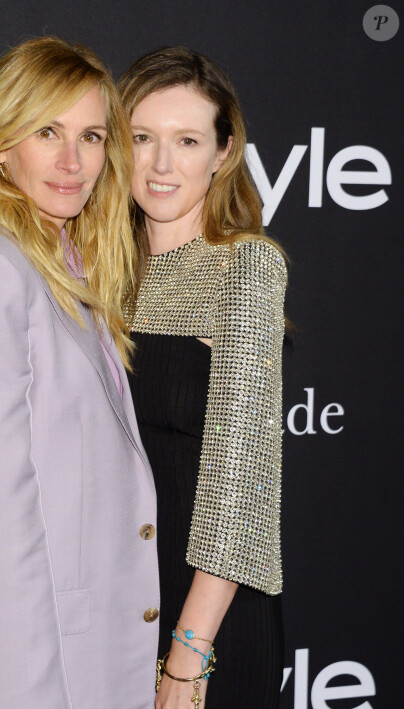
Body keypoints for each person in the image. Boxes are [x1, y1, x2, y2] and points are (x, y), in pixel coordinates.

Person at [0, 37, 159, 709]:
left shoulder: (68, 267)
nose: (73, 161)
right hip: (27, 677)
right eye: (48, 131)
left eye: (92, 135)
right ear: (1, 142)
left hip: (86, 666)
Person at [119, 47, 287, 708]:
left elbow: (240, 482)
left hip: (206, 616)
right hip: (111, 609)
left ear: (222, 152)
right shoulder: (95, 272)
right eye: (142, 138)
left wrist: (187, 658)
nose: (162, 165)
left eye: (186, 140)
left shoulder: (243, 267)